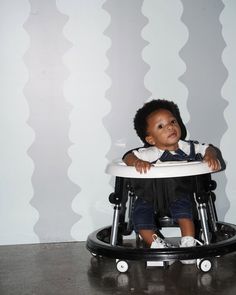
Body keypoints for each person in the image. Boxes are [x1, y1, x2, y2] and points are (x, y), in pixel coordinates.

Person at [123, 99, 220, 264]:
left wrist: (210, 155)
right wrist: (136, 162)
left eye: (172, 121)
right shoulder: (151, 153)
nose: (170, 126)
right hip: (150, 196)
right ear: (151, 139)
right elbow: (128, 156)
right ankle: (156, 244)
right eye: (160, 126)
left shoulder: (188, 147)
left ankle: (188, 243)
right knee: (140, 218)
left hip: (179, 192)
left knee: (185, 213)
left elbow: (207, 147)